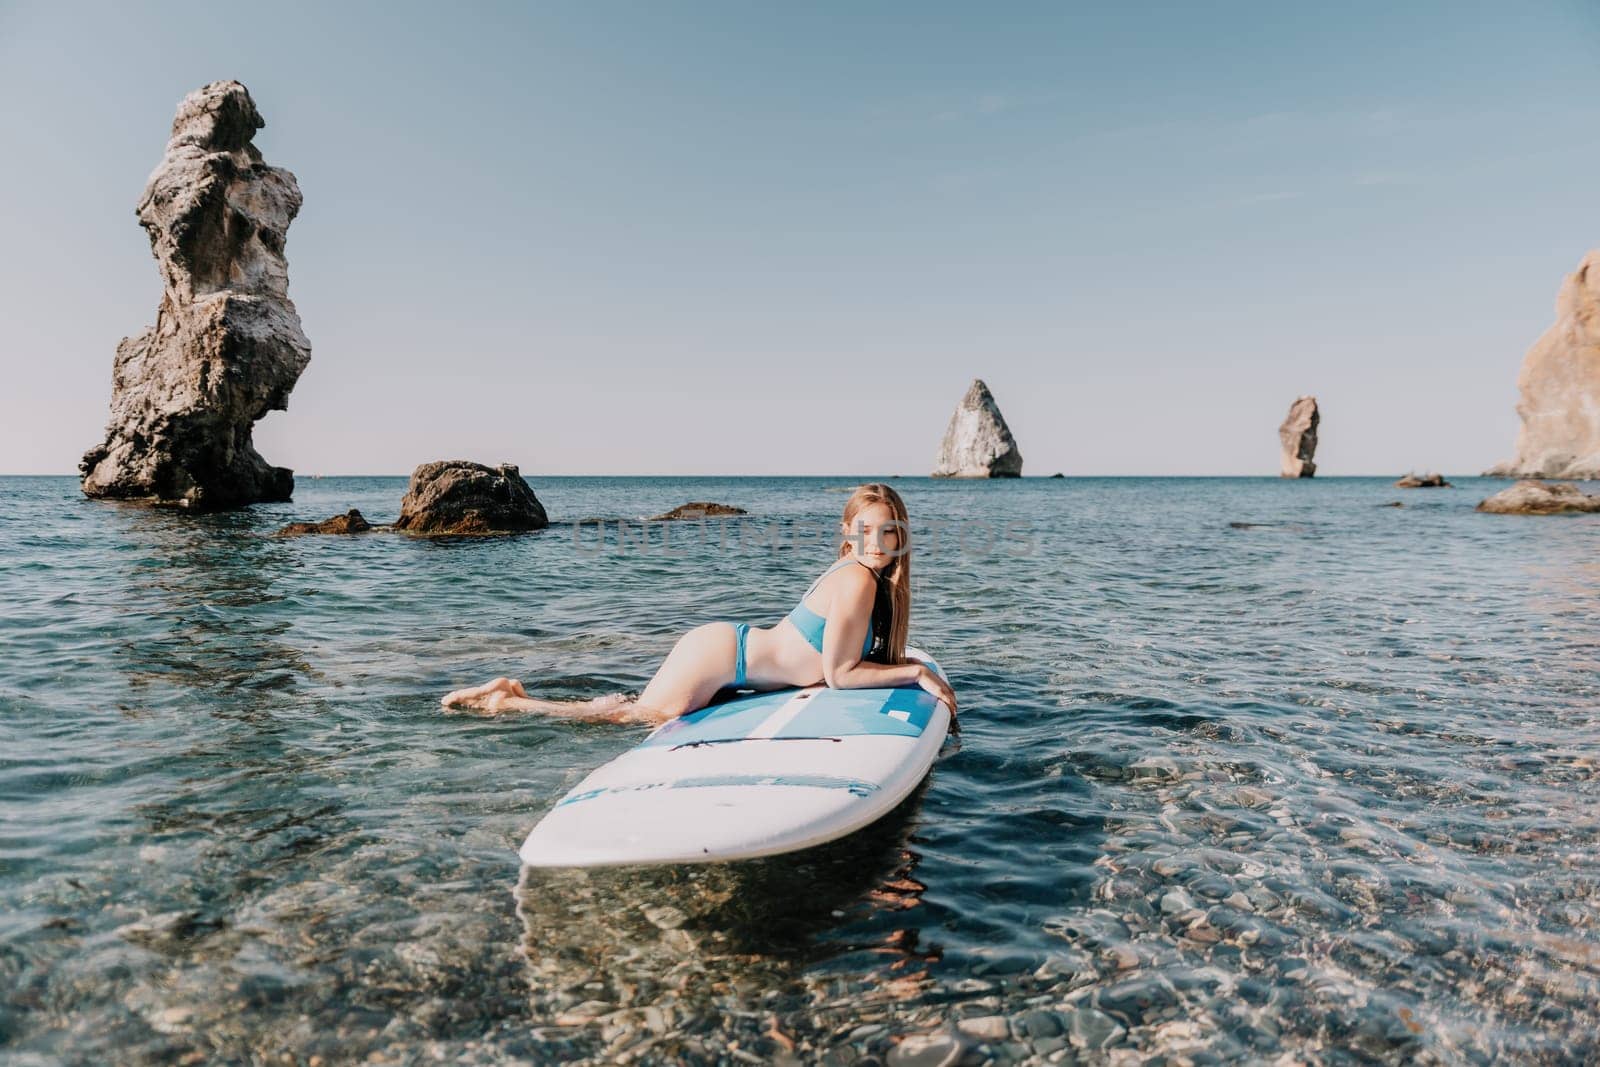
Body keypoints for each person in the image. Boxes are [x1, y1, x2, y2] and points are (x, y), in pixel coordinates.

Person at [440, 483, 958, 724]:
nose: (875, 540)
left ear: (900, 536)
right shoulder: (859, 580)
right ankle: (505, 700)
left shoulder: (866, 581)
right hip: (721, 657)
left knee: (633, 708)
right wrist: (914, 673)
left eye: (886, 530)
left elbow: (840, 667)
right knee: (638, 718)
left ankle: (511, 696)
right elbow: (841, 674)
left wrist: (905, 663)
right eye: (864, 530)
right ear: (848, 537)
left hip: (726, 652)